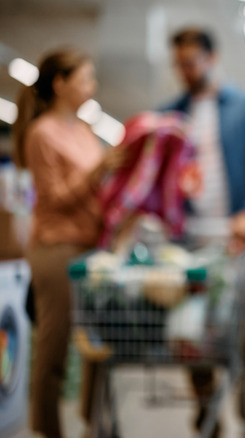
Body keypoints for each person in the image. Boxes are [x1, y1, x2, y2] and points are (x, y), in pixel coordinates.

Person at [161, 27, 245, 438]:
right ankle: (207, 418)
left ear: (211, 58)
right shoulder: (173, 115)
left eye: (191, 61)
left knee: (237, 336)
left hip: (232, 242)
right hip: (187, 242)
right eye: (179, 64)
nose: (185, 70)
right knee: (189, 331)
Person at [12, 47, 123, 438]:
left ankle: (91, 424)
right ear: (60, 84)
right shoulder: (41, 134)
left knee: (96, 344)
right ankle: (47, 430)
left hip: (91, 248)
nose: (92, 85)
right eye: (84, 78)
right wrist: (97, 170)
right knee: (54, 347)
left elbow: (94, 191)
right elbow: (54, 197)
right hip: (56, 250)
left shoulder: (84, 130)